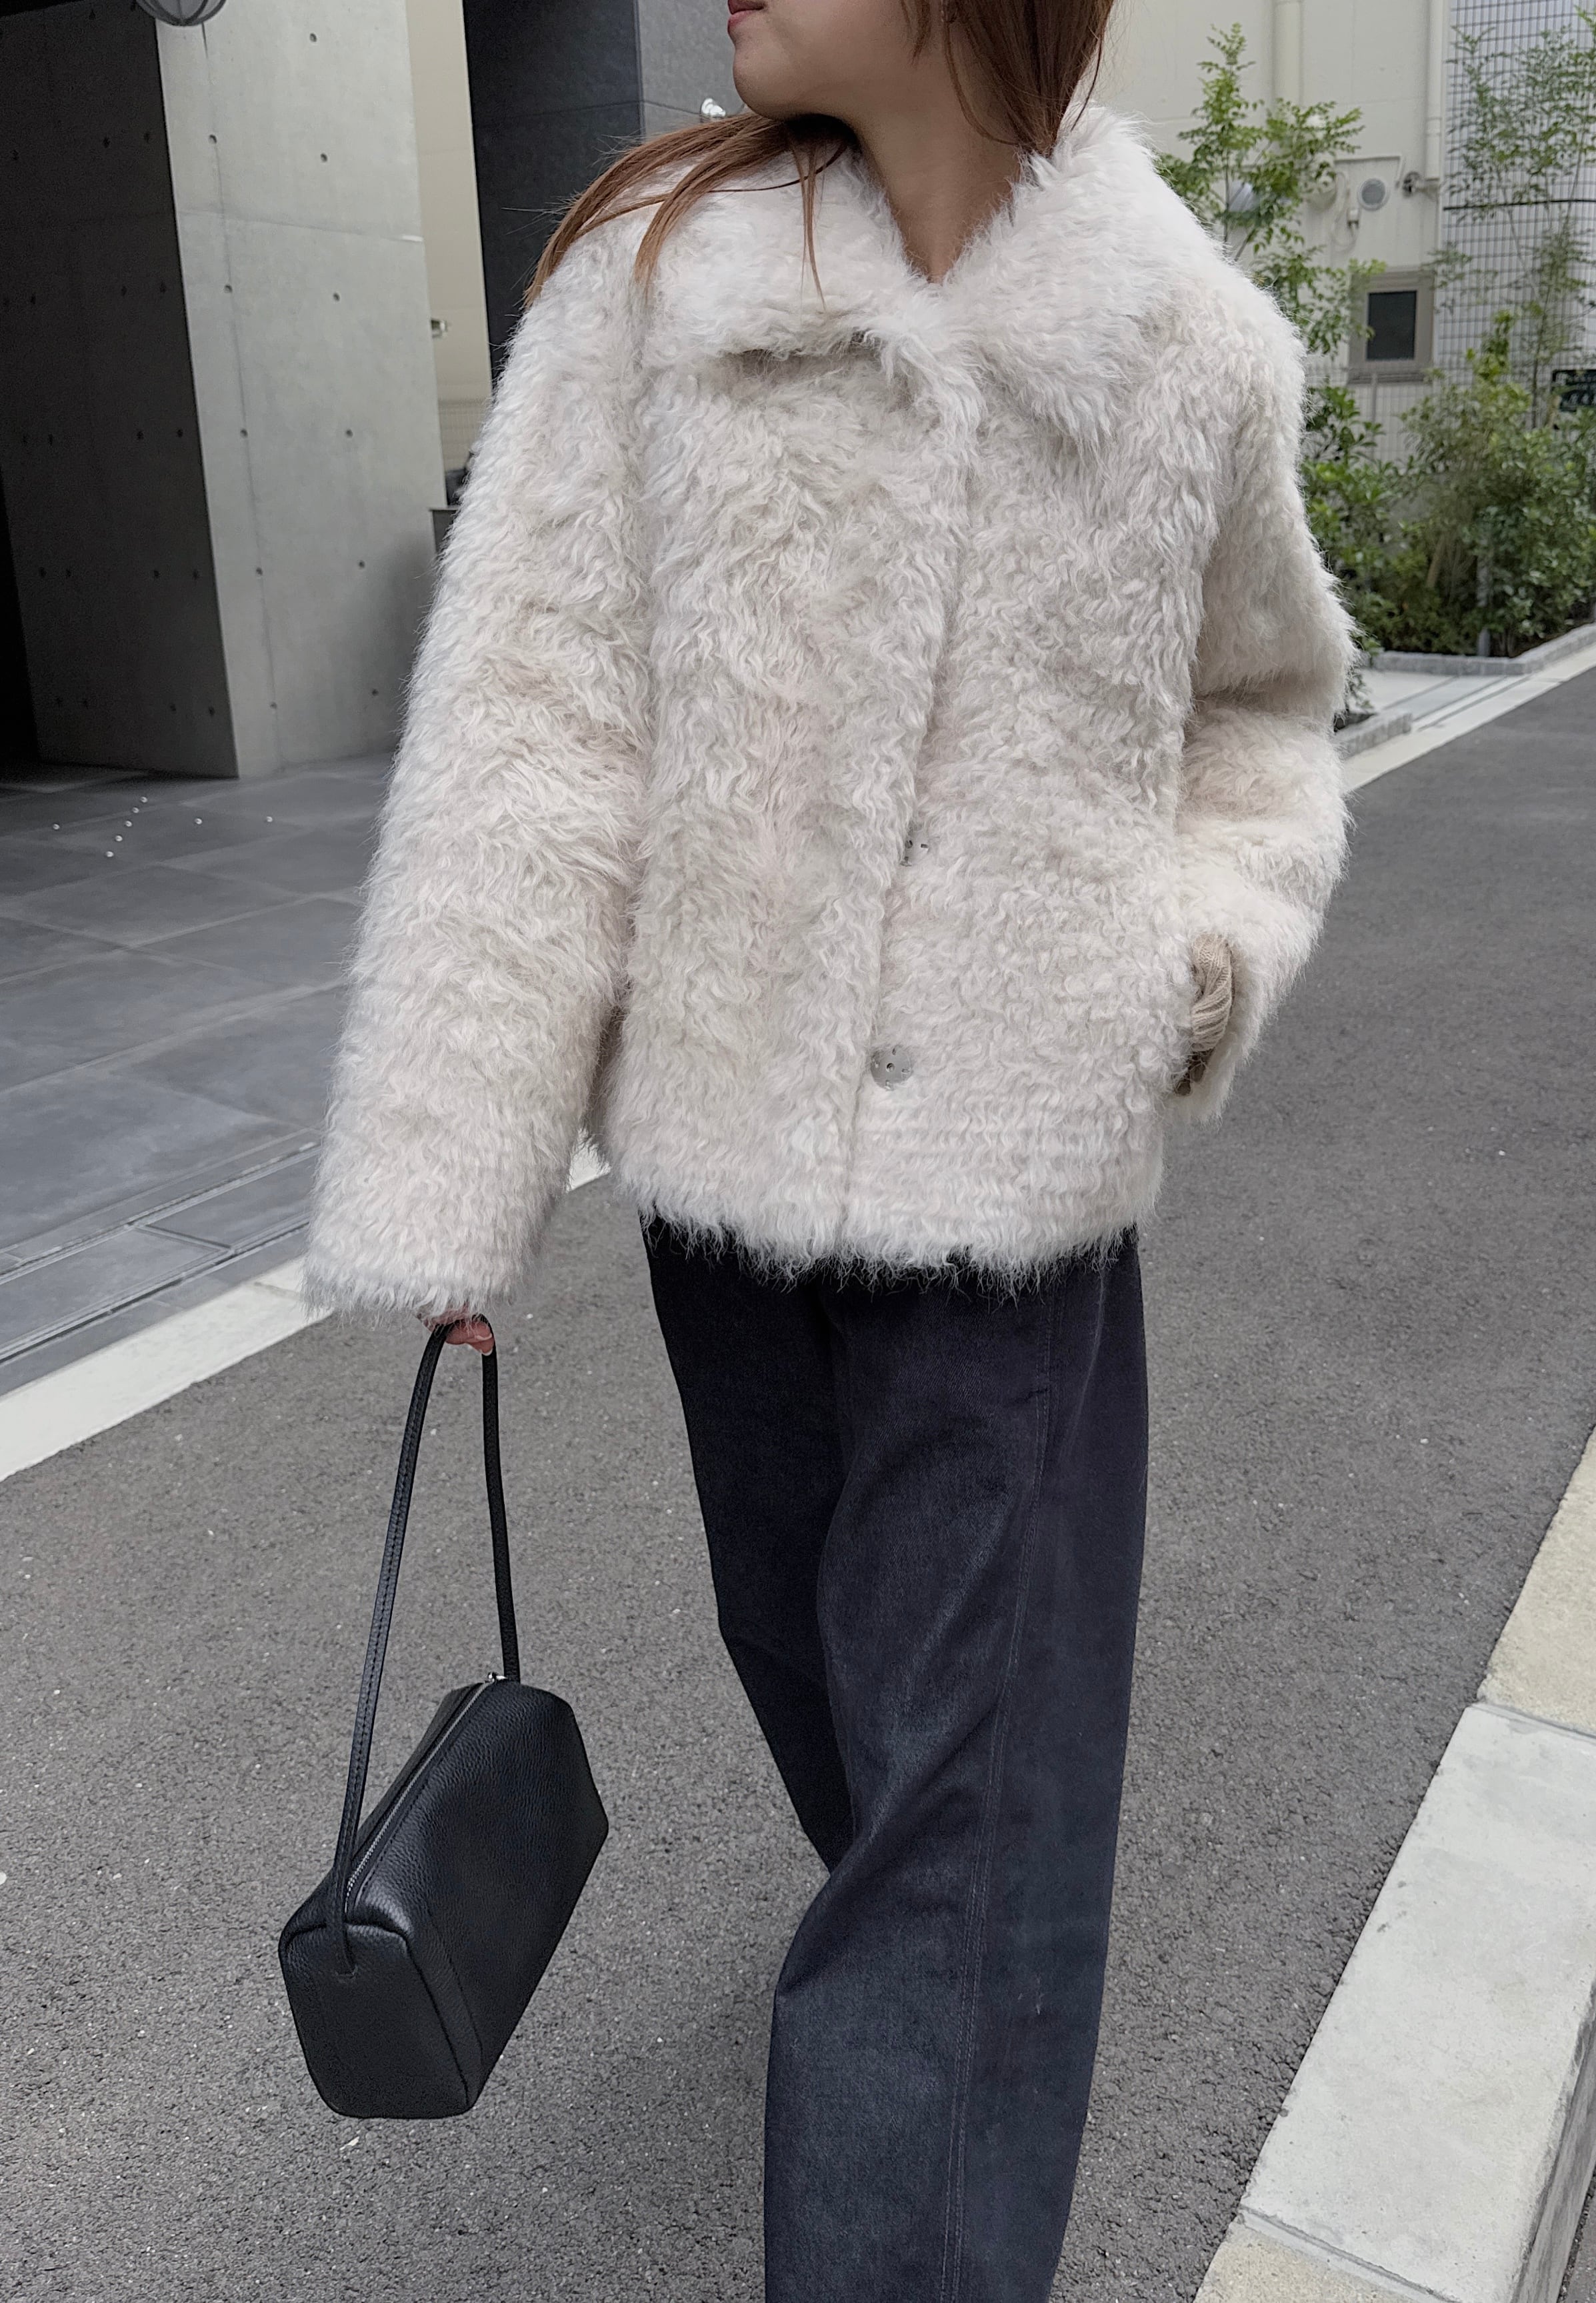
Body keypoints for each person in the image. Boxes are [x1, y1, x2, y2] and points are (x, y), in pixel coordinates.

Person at [304, 0, 1354, 2287]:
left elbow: (1267, 714)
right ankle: (920, 1992)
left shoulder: (1188, 351)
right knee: (827, 1693)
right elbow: (534, 741)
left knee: (965, 1836)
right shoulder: (655, 288)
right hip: (732, 1201)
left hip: (1022, 1212)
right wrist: (458, 1175)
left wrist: (1194, 955)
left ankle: (928, 2068)